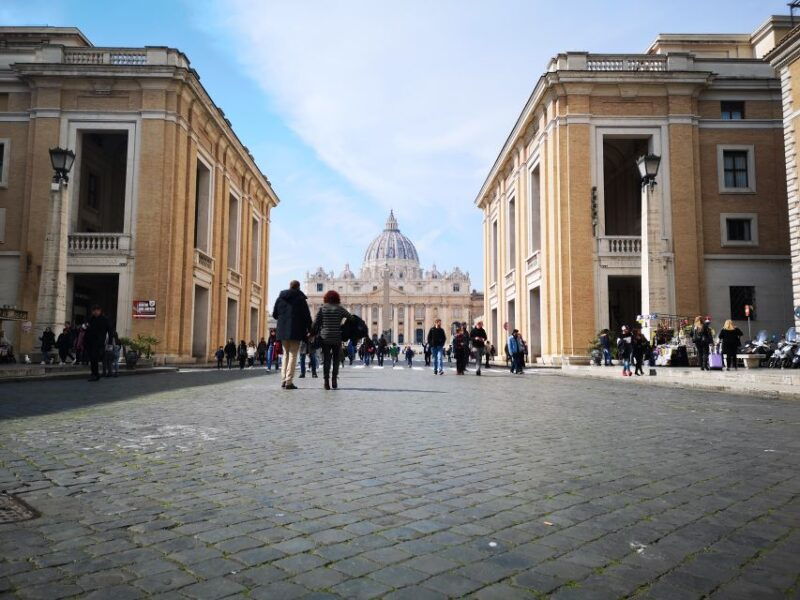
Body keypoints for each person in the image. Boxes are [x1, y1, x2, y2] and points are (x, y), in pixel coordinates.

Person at [272, 280, 312, 390]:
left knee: (285, 354)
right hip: (296, 331)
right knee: (293, 355)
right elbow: (307, 317)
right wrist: (310, 330)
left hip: (283, 331)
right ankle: (289, 381)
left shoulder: (280, 298)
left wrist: (283, 318)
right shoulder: (300, 299)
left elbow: (275, 315)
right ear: (298, 287)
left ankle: (283, 379)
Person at [312, 289, 350, 390]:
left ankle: (326, 382)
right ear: (337, 298)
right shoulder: (339, 308)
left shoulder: (323, 308)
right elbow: (350, 318)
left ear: (326, 298)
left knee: (326, 360)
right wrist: (343, 326)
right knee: (336, 360)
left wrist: (312, 333)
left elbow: (316, 323)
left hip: (325, 338)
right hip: (337, 337)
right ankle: (334, 380)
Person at [85, 305, 111, 382]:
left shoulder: (105, 319)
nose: (95, 312)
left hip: (99, 342)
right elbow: (86, 329)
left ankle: (95, 374)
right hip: (90, 341)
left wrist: (109, 343)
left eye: (97, 310)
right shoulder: (90, 319)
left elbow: (110, 331)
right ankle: (94, 374)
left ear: (100, 311)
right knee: (92, 358)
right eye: (94, 310)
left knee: (94, 358)